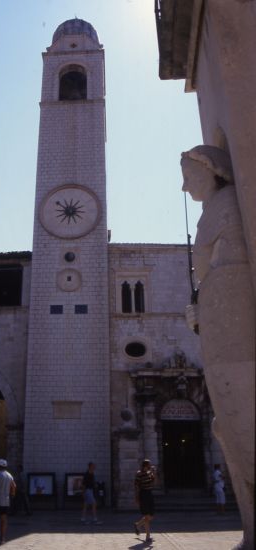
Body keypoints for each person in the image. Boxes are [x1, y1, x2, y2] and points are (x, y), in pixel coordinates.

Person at [181, 145, 254, 545]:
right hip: (218, 320)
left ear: (211, 170)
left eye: (189, 175)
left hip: (231, 322)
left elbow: (216, 269)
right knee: (226, 420)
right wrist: (199, 315)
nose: (183, 184)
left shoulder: (225, 205)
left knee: (235, 418)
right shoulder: (213, 211)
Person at [134, 459, 155, 543]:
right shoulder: (139, 473)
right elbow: (136, 486)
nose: (150, 466)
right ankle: (148, 536)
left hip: (149, 494)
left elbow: (154, 482)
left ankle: (138, 524)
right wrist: (136, 497)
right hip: (143, 494)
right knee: (146, 516)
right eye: (149, 464)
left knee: (151, 516)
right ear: (145, 465)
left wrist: (154, 473)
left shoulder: (150, 473)